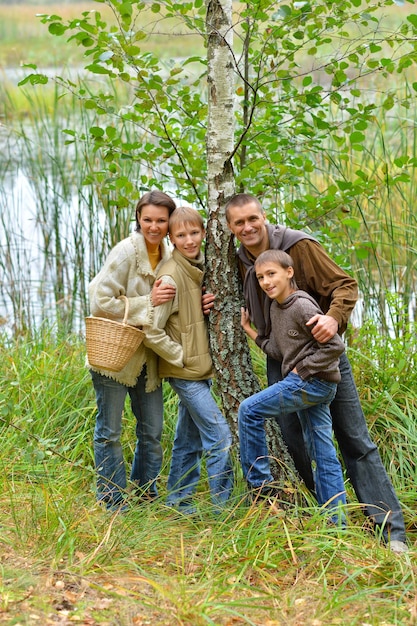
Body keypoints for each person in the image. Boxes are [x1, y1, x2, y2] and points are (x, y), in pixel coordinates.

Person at [226, 192, 408, 552]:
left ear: (264, 217)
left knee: (354, 438)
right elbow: (232, 293)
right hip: (280, 358)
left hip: (323, 357)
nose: (247, 227)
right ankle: (328, 519)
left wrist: (332, 318)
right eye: (239, 223)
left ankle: (391, 530)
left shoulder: (299, 246)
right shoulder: (239, 262)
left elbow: (346, 286)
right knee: (297, 440)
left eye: (252, 219)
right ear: (231, 228)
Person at [88, 190, 184, 510]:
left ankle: (145, 495)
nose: (153, 227)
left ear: (170, 222)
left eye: (161, 220)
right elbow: (99, 300)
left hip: (149, 356)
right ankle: (113, 499)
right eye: (147, 220)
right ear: (138, 219)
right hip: (114, 355)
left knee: (152, 431)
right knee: (109, 432)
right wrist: (147, 303)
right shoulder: (126, 252)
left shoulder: (170, 256)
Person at [239, 249, 346, 524]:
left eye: (271, 274)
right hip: (314, 386)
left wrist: (304, 369)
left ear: (289, 272)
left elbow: (335, 345)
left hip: (310, 383)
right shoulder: (277, 307)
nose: (266, 281)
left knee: (248, 410)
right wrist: (249, 330)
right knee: (322, 453)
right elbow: (277, 349)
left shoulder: (301, 305)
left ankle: (261, 487)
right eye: (261, 277)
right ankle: (337, 524)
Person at [145, 205, 234, 513]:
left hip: (198, 370)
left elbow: (188, 315)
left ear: (205, 233)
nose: (189, 240)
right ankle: (223, 509)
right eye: (180, 235)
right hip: (186, 373)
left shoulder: (197, 266)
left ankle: (178, 500)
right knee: (220, 437)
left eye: (194, 233)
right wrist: (179, 357)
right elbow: (151, 330)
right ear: (170, 238)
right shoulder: (170, 276)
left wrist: (202, 305)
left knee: (187, 439)